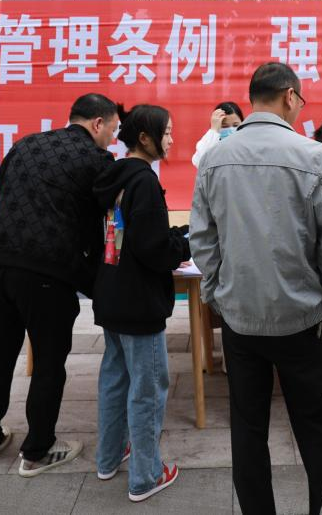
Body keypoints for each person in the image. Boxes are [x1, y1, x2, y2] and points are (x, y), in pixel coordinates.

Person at [190, 62, 322, 515]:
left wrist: (220, 292)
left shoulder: (215, 157)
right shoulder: (313, 155)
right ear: (288, 96)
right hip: (305, 320)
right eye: (300, 101)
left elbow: (202, 240)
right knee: (319, 433)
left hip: (241, 320)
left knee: (247, 429)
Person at [0, 94, 118, 476]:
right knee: (50, 362)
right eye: (112, 131)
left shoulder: (26, 144)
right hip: (46, 272)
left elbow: (0, 195)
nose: (111, 141)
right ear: (97, 124)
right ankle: (37, 450)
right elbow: (97, 223)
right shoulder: (97, 159)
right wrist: (93, 276)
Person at [92, 105, 191, 502]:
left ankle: (108, 458)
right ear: (145, 139)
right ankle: (146, 476)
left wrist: (172, 236)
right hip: (139, 302)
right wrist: (183, 244)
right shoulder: (144, 181)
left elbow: (132, 235)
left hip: (112, 294)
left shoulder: (114, 176)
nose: (171, 139)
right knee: (147, 389)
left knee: (115, 381)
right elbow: (153, 249)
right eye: (166, 133)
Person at [191, 101, 245, 167]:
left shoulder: (247, 144)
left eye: (235, 125)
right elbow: (200, 162)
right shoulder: (210, 142)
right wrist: (214, 130)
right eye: (225, 126)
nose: (231, 129)